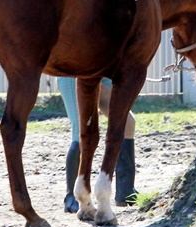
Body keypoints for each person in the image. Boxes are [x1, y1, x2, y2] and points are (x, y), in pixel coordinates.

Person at [57, 76, 137, 213]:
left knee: (128, 122)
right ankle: (72, 197)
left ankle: (126, 191)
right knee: (81, 130)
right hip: (73, 73)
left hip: (101, 71)